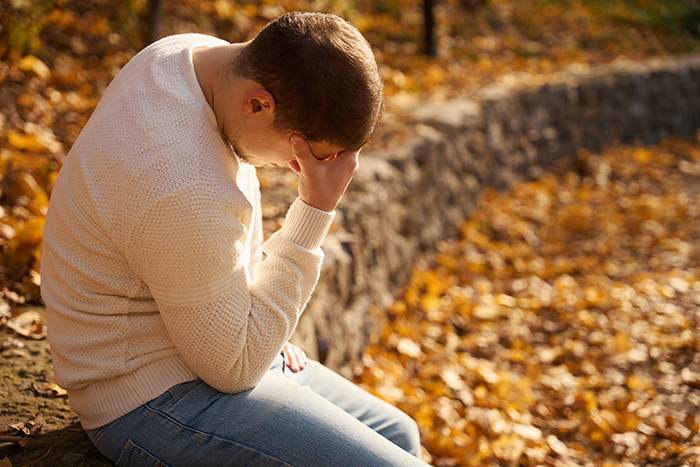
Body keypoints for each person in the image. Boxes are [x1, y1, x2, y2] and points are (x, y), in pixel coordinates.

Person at [41, 11, 430, 467]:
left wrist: (255, 328)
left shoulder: (190, 58)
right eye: (301, 153)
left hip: (200, 348)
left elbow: (218, 259)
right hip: (149, 397)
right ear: (258, 104)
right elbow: (236, 368)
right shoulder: (181, 183)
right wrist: (316, 209)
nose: (296, 169)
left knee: (399, 431)